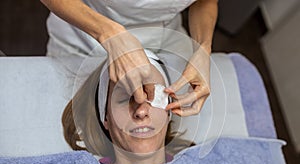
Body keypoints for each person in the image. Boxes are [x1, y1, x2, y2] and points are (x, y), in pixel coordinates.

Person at [40, 0, 218, 117]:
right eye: (125, 101)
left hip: (166, 34)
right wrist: (107, 32)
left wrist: (203, 47)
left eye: (154, 100)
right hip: (84, 29)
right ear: (106, 123)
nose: (141, 111)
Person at [62, 51, 194, 164]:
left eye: (154, 96)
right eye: (125, 99)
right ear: (105, 117)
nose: (141, 112)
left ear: (169, 111)